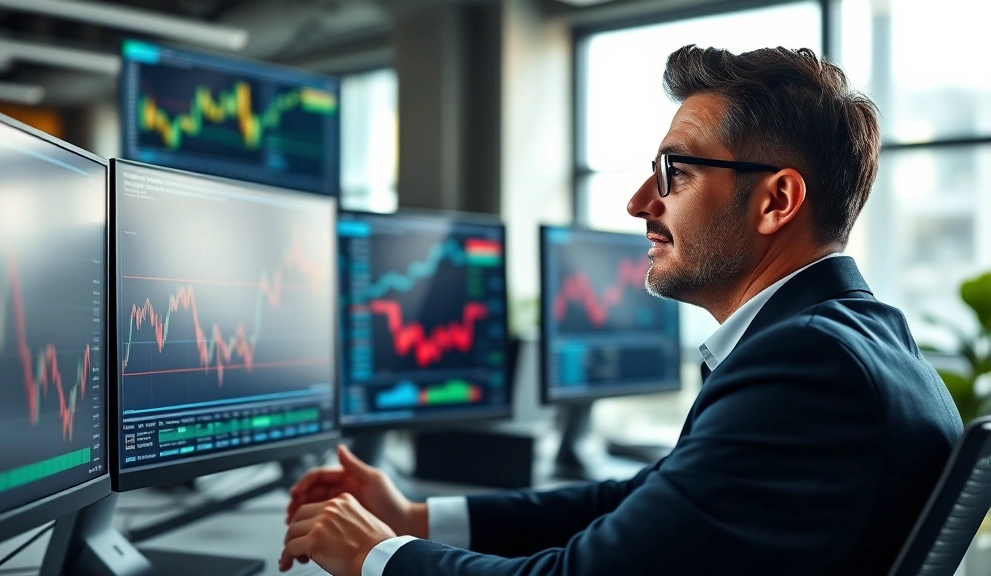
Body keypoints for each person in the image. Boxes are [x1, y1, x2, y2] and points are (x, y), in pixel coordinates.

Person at [279, 45, 963, 576]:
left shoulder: (808, 366)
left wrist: (379, 555)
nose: (639, 202)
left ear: (776, 201)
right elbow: (643, 501)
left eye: (676, 172)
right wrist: (416, 517)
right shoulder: (859, 338)